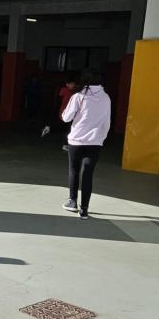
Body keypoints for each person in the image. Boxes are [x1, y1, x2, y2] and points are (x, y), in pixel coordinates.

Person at [60, 68, 112, 219]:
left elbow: (67, 118)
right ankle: (84, 209)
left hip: (76, 141)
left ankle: (72, 201)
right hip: (95, 142)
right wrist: (101, 138)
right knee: (88, 174)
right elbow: (107, 122)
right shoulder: (106, 98)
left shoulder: (78, 96)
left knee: (74, 170)